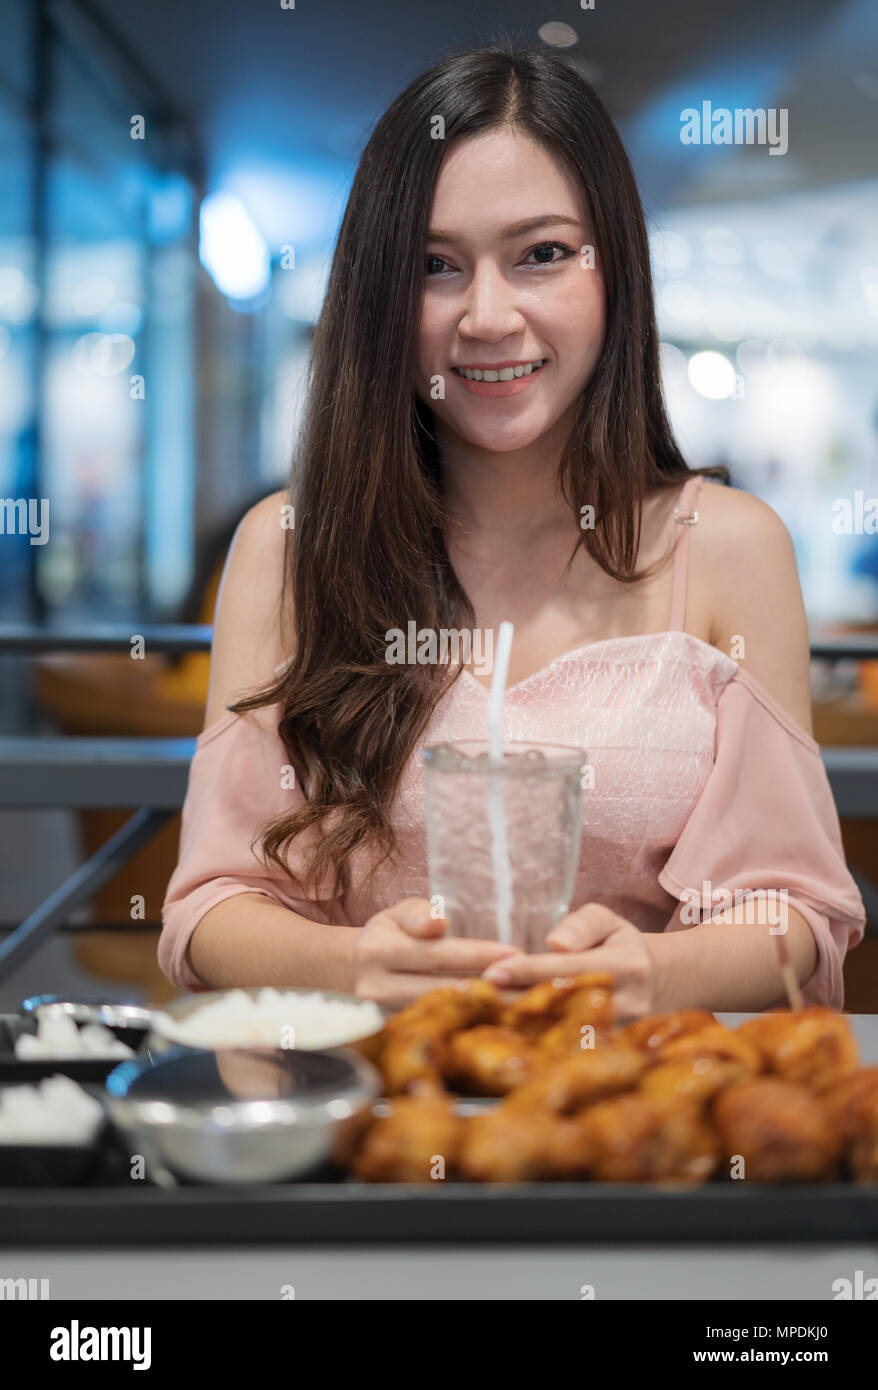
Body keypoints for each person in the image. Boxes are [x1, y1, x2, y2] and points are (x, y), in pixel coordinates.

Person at [159, 45, 865, 1017]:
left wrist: (647, 973)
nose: (487, 316)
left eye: (540, 253)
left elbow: (791, 911)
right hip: (364, 1116)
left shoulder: (728, 548)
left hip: (623, 1123)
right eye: (432, 266)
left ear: (613, 267)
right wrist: (358, 962)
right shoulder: (287, 547)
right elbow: (209, 904)